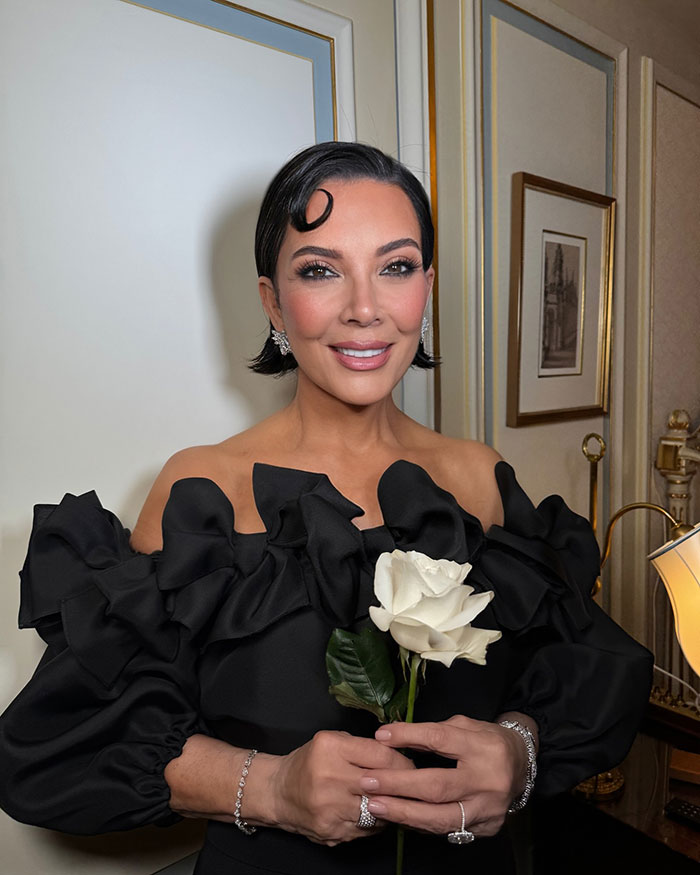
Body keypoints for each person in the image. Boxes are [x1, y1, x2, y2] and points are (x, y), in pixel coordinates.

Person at [0, 142, 652, 874]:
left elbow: (579, 669)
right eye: (320, 270)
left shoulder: (479, 477)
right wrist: (274, 787)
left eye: (396, 267)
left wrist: (518, 750)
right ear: (273, 300)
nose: (366, 308)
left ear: (426, 289)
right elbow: (86, 734)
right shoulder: (204, 492)